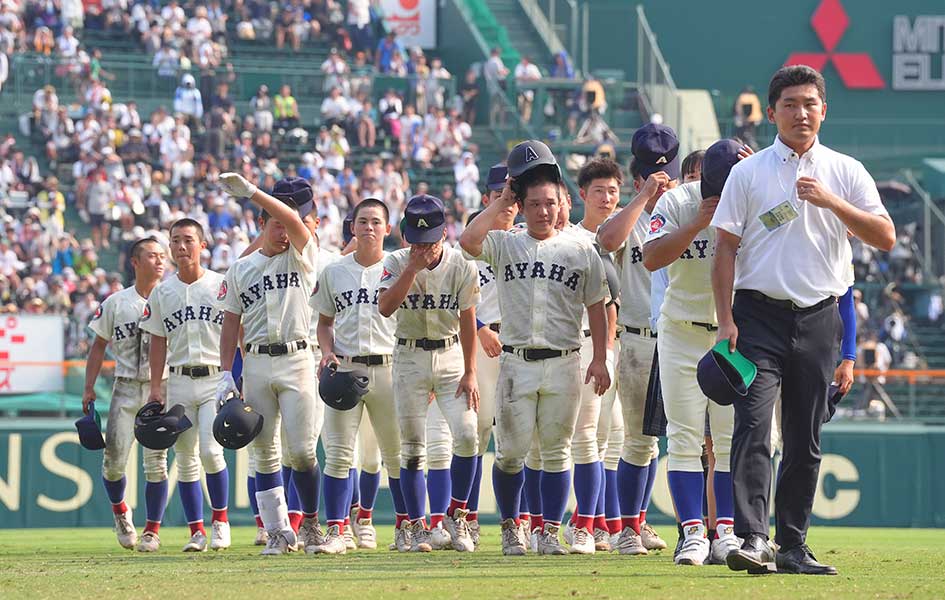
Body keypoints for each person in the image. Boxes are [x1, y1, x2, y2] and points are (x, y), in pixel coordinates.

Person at [712, 65, 895, 575]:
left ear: (824, 110)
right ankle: (752, 537)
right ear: (771, 113)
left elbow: (885, 236)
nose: (801, 112)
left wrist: (832, 201)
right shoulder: (747, 174)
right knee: (752, 426)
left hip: (819, 318)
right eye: (789, 103)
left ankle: (793, 545)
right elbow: (724, 247)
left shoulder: (846, 170)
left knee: (805, 437)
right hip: (757, 317)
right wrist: (725, 319)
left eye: (810, 103)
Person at [459, 140, 610, 556]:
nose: (543, 210)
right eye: (534, 203)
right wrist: (504, 199)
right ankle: (513, 527)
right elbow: (468, 242)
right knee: (510, 454)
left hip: (565, 360)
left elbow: (596, 306)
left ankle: (547, 530)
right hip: (517, 361)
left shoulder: (580, 248)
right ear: (522, 206)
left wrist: (599, 357)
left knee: (559, 452)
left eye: (550, 202)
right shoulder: (506, 243)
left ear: (562, 203)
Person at [642, 138, 745, 567]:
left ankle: (726, 532)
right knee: (683, 436)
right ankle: (692, 533)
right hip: (681, 330)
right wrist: (694, 225)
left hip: (735, 336)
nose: (719, 197)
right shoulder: (680, 200)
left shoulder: (751, 198)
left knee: (727, 438)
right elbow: (650, 258)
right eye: (714, 188)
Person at [216, 174, 324, 555]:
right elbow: (230, 324)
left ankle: (310, 523)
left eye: (286, 222)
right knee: (264, 452)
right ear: (261, 225)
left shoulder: (302, 253)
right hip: (258, 362)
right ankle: (278, 532)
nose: (283, 230)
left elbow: (297, 224)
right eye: (274, 223)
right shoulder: (241, 268)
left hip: (297, 358)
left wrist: (253, 194)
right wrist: (226, 374)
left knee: (303, 452)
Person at [377, 194, 481, 553]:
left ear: (443, 235)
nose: (425, 249)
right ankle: (418, 526)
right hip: (409, 355)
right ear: (407, 238)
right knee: (412, 448)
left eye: (431, 242)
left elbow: (468, 322)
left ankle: (457, 514)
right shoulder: (395, 261)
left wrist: (470, 371)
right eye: (417, 242)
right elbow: (386, 308)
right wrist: (411, 269)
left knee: (468, 435)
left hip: (451, 352)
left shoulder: (461, 265)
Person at [595, 132, 677, 556]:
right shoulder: (636, 215)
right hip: (640, 339)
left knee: (668, 443)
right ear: (638, 178)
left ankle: (643, 522)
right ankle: (627, 528)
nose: (663, 181)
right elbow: (606, 240)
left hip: (681, 335)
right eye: (651, 174)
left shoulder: (684, 211)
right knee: (638, 441)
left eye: (668, 173)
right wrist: (643, 197)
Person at [310, 198, 405, 554]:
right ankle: (337, 530)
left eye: (376, 221)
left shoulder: (399, 266)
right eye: (362, 221)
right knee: (337, 454)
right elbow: (323, 324)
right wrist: (327, 351)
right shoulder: (334, 270)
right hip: (347, 367)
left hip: (389, 367)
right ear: (352, 227)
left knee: (394, 455)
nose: (369, 227)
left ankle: (404, 527)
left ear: (387, 228)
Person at [141, 218, 231, 552]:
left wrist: (238, 374)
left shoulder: (221, 284)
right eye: (175, 240)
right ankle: (197, 531)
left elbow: (239, 333)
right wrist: (155, 387)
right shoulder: (163, 291)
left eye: (188, 240)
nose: (181, 247)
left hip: (213, 379)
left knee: (210, 451)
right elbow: (157, 342)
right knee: (185, 456)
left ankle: (220, 521)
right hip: (178, 379)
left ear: (202, 245)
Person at [83, 238, 169, 552]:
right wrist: (89, 386)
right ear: (135, 262)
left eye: (162, 256)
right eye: (152, 256)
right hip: (125, 386)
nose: (160, 261)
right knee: (113, 463)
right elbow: (98, 346)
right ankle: (121, 511)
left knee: (156, 463)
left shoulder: (170, 296)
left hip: (161, 387)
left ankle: (152, 531)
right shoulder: (116, 302)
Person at [557, 158, 622, 555]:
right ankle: (579, 524)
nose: (607, 197)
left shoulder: (628, 232)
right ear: (581, 195)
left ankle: (602, 523)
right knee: (584, 438)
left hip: (616, 344)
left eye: (613, 190)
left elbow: (614, 303)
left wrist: (610, 349)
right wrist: (604, 351)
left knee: (615, 437)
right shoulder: (574, 239)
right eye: (599, 190)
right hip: (579, 343)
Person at [465, 164, 517, 548]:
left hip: (516, 345)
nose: (508, 201)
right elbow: (451, 297)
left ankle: (517, 521)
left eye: (513, 195)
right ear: (487, 198)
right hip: (479, 345)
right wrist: (480, 326)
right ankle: (464, 517)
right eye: (500, 193)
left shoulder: (524, 242)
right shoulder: (469, 245)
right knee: (475, 434)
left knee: (517, 439)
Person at [514, 56, 542, 123]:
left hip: (530, 91)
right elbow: (517, 77)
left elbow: (538, 77)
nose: (523, 61)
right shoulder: (519, 66)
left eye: (524, 60)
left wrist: (528, 78)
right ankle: (520, 122)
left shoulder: (533, 67)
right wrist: (527, 77)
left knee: (528, 106)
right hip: (520, 90)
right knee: (520, 105)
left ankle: (525, 122)